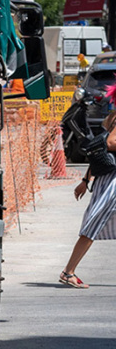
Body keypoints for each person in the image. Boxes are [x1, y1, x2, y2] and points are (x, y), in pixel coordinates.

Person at [60, 107, 116, 288]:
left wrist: (85, 180)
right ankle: (68, 272)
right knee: (93, 224)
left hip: (106, 179)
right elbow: (109, 144)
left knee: (93, 224)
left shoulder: (113, 117)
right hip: (111, 182)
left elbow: (99, 152)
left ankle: (69, 271)